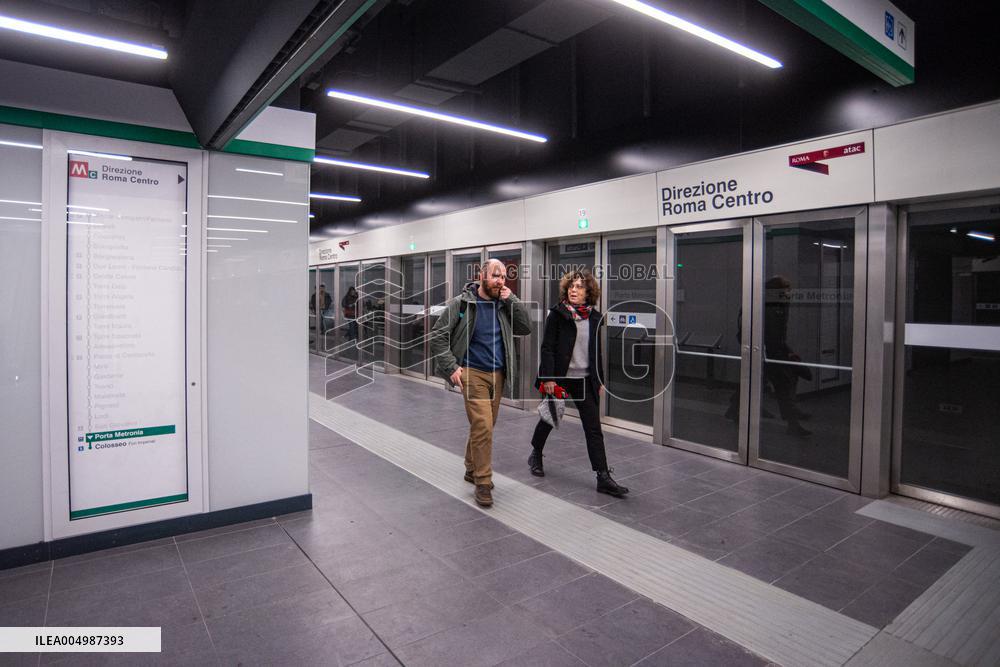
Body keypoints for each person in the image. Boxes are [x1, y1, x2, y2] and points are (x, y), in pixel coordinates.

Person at [429, 259, 531, 507]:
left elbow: (525, 327)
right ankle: (483, 482)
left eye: (504, 277)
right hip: (472, 372)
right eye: (496, 276)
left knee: (485, 424)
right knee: (483, 425)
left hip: (498, 373)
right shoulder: (462, 304)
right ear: (481, 275)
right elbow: (438, 335)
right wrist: (452, 368)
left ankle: (471, 466)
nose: (500, 281)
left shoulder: (504, 304)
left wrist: (513, 300)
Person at [528, 271, 629, 497]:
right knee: (549, 418)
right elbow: (547, 348)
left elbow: (596, 352)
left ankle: (602, 476)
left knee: (593, 428)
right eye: (571, 286)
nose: (574, 290)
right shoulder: (557, 315)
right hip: (561, 378)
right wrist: (549, 379)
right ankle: (536, 452)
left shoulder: (594, 318)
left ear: (588, 292)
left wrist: (599, 379)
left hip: (585, 380)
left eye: (580, 287)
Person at [763, 275, 812, 436]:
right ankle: (792, 422)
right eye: (786, 288)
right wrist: (786, 351)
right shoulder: (771, 307)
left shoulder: (778, 305)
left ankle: (735, 408)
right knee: (784, 386)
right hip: (770, 352)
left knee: (762, 383)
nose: (789, 292)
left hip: (772, 351)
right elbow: (773, 335)